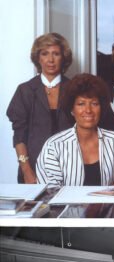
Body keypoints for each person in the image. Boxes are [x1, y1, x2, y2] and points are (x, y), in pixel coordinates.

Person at [6, 33, 74, 183]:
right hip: (33, 168)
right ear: (38, 58)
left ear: (63, 58)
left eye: (56, 54)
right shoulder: (25, 91)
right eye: (45, 54)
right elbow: (19, 136)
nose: (50, 60)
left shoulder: (74, 89)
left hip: (71, 167)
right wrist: (26, 171)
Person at [35, 74, 114, 186]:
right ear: (71, 109)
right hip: (64, 204)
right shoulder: (54, 146)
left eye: (94, 103)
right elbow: (50, 193)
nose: (88, 110)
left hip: (108, 204)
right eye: (81, 104)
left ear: (101, 107)